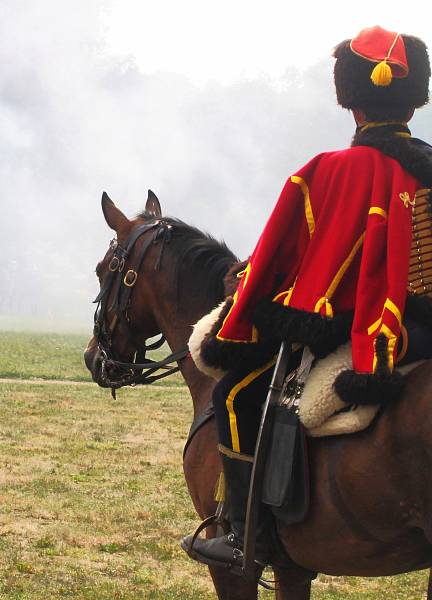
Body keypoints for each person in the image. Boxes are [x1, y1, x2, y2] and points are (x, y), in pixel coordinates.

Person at [183, 26, 432, 570]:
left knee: (233, 397)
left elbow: (285, 262)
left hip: (359, 331)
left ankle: (248, 538)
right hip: (424, 330)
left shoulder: (328, 171)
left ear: (351, 102)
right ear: (414, 99)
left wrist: (244, 292)